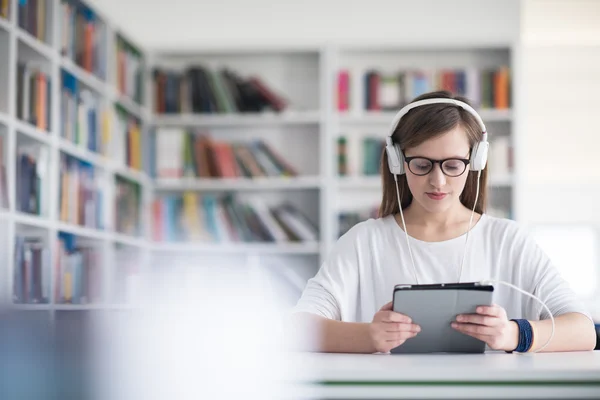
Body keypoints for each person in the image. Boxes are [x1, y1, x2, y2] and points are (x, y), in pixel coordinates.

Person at [289, 91, 596, 354]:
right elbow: (296, 328)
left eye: (453, 165)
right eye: (421, 165)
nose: (438, 181)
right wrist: (368, 336)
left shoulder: (507, 240)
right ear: (398, 162)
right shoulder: (363, 241)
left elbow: (584, 330)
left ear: (475, 162)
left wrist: (515, 334)